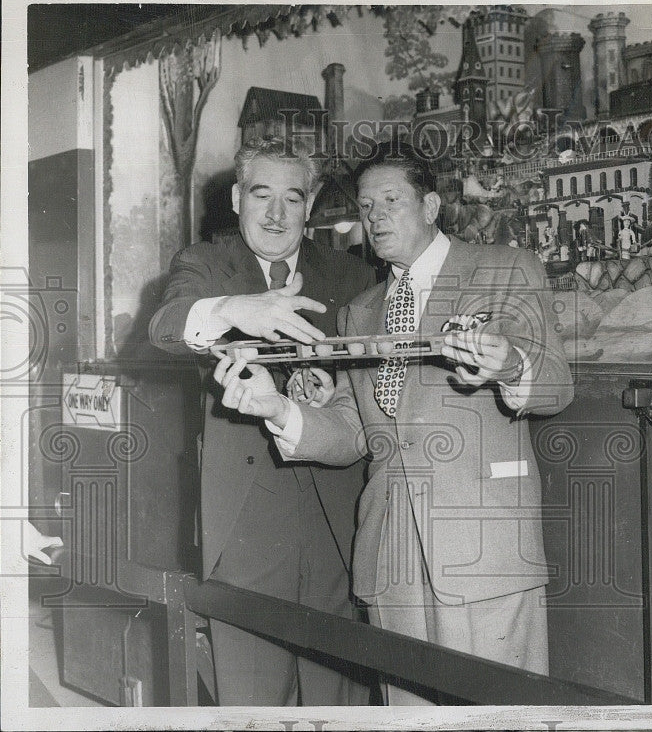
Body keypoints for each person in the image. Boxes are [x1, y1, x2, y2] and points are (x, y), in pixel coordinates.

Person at [212, 141, 574, 705]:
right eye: (365, 206)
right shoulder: (361, 310)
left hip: (483, 548)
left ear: (430, 206)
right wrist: (278, 409)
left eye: (390, 200)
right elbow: (355, 431)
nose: (375, 216)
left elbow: (556, 382)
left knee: (499, 714)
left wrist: (510, 366)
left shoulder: (505, 268)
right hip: (389, 558)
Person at [148, 137, 376, 706]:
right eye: (261, 194)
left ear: (313, 202)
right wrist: (234, 309)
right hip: (246, 516)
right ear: (236, 198)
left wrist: (336, 384)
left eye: (292, 198)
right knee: (251, 699)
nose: (276, 214)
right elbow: (166, 325)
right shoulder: (205, 264)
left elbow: (373, 383)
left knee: (339, 697)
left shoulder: (351, 275)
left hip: (338, 516)